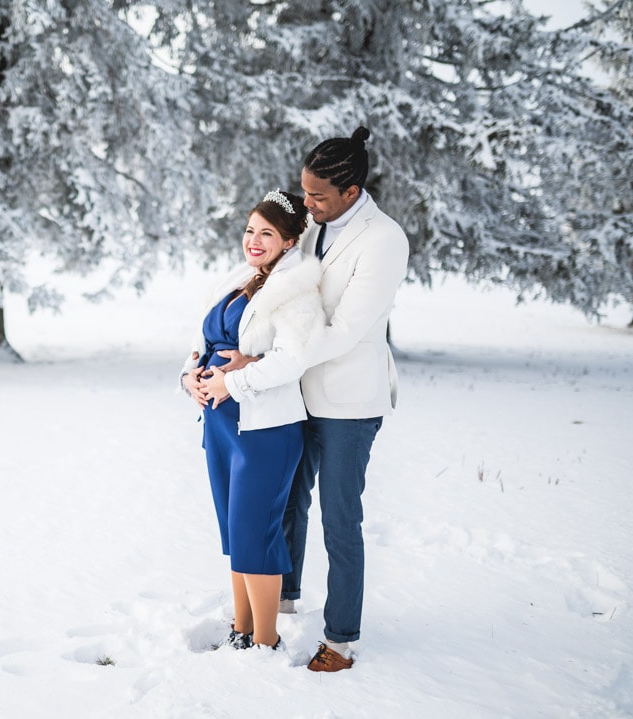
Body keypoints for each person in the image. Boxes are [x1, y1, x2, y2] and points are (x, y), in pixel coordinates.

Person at [282, 126, 409, 671]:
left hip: (349, 401)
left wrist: (268, 369)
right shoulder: (316, 224)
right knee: (288, 501)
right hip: (300, 391)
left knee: (339, 517)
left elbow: (346, 329)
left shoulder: (384, 240)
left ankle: (340, 638)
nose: (306, 204)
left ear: (352, 191)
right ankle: (282, 606)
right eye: (305, 192)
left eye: (318, 196)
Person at [180, 190, 325, 651]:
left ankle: (265, 641)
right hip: (221, 426)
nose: (254, 240)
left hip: (264, 429)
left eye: (266, 233)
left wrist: (232, 382)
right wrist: (190, 377)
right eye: (249, 230)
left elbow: (293, 359)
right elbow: (203, 344)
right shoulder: (241, 279)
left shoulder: (296, 288)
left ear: (288, 241)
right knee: (235, 532)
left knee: (256, 533)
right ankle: (241, 629)